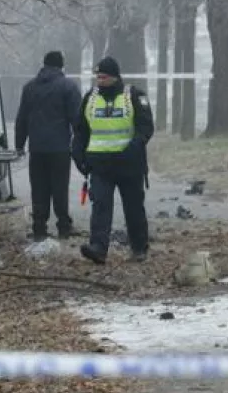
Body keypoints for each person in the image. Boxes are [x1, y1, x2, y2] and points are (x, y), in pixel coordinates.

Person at [72, 57, 154, 264]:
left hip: (129, 164)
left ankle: (139, 248)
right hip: (100, 165)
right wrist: (78, 155)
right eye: (97, 76)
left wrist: (133, 148)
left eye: (103, 76)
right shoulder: (89, 98)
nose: (99, 80)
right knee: (100, 206)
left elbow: (145, 128)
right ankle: (98, 248)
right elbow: (80, 130)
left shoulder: (134, 95)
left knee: (134, 208)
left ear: (115, 76)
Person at [14, 51, 82, 242]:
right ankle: (63, 227)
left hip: (37, 148)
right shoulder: (68, 86)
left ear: (44, 65)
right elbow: (76, 118)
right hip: (59, 148)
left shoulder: (29, 88)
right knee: (59, 187)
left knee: (39, 188)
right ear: (61, 66)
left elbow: (22, 119)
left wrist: (19, 145)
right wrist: (80, 142)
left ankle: (39, 229)